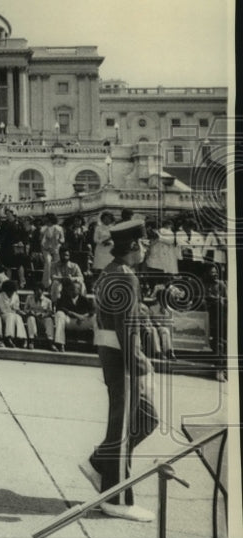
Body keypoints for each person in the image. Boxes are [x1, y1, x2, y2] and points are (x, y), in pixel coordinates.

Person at [84, 219, 159, 522]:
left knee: (147, 417)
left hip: (113, 355)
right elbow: (126, 330)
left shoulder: (110, 273)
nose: (145, 248)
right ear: (133, 246)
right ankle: (115, 498)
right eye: (142, 244)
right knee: (122, 429)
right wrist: (141, 367)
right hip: (123, 359)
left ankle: (100, 462)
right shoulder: (125, 277)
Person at [53, 277, 95, 352]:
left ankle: (97, 345)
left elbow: (92, 310)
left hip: (82, 322)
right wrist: (74, 314)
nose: (70, 291)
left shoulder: (84, 299)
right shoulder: (63, 298)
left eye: (73, 289)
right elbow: (60, 308)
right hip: (69, 321)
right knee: (59, 314)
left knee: (95, 317)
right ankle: (60, 343)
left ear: (78, 291)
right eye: (69, 289)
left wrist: (83, 316)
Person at [0, 280, 28, 348]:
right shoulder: (0, 296)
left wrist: (19, 311)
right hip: (3, 315)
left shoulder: (15, 296)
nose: (11, 293)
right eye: (9, 291)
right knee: (11, 316)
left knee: (19, 317)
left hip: (13, 314)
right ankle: (9, 337)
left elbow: (16, 307)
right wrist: (13, 310)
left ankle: (22, 337)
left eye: (12, 291)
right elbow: (2, 309)